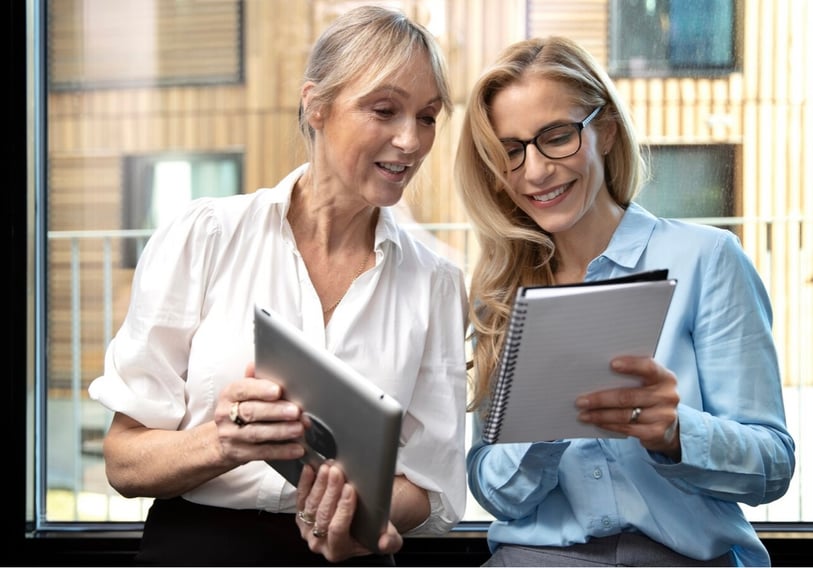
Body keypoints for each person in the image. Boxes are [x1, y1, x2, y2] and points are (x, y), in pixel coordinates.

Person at [88, 5, 469, 566]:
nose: (411, 141)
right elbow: (122, 463)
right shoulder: (207, 235)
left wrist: (368, 521)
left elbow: (430, 484)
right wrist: (223, 442)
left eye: (429, 117)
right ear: (316, 104)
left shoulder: (436, 281)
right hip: (199, 549)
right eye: (384, 110)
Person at [456, 36, 795, 567]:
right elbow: (495, 493)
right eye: (511, 150)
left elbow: (773, 466)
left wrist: (676, 433)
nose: (536, 171)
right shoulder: (500, 295)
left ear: (606, 130)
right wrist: (543, 426)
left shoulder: (706, 259)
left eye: (557, 137)